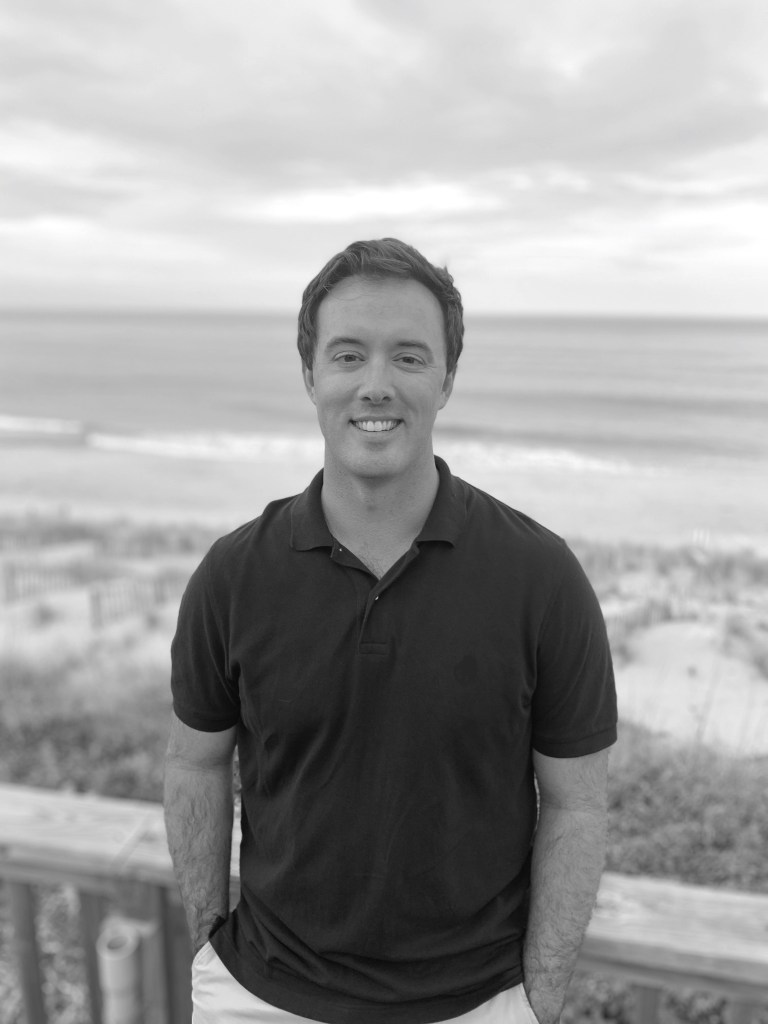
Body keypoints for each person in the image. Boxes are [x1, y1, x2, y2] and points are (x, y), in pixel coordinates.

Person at [164, 238, 617, 1024]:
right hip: (260, 999)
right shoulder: (233, 576)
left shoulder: (541, 578)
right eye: (348, 356)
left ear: (446, 378)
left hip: (476, 1004)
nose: (376, 385)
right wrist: (209, 947)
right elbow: (194, 763)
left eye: (409, 356)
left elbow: (577, 805)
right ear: (311, 376)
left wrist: (536, 1002)